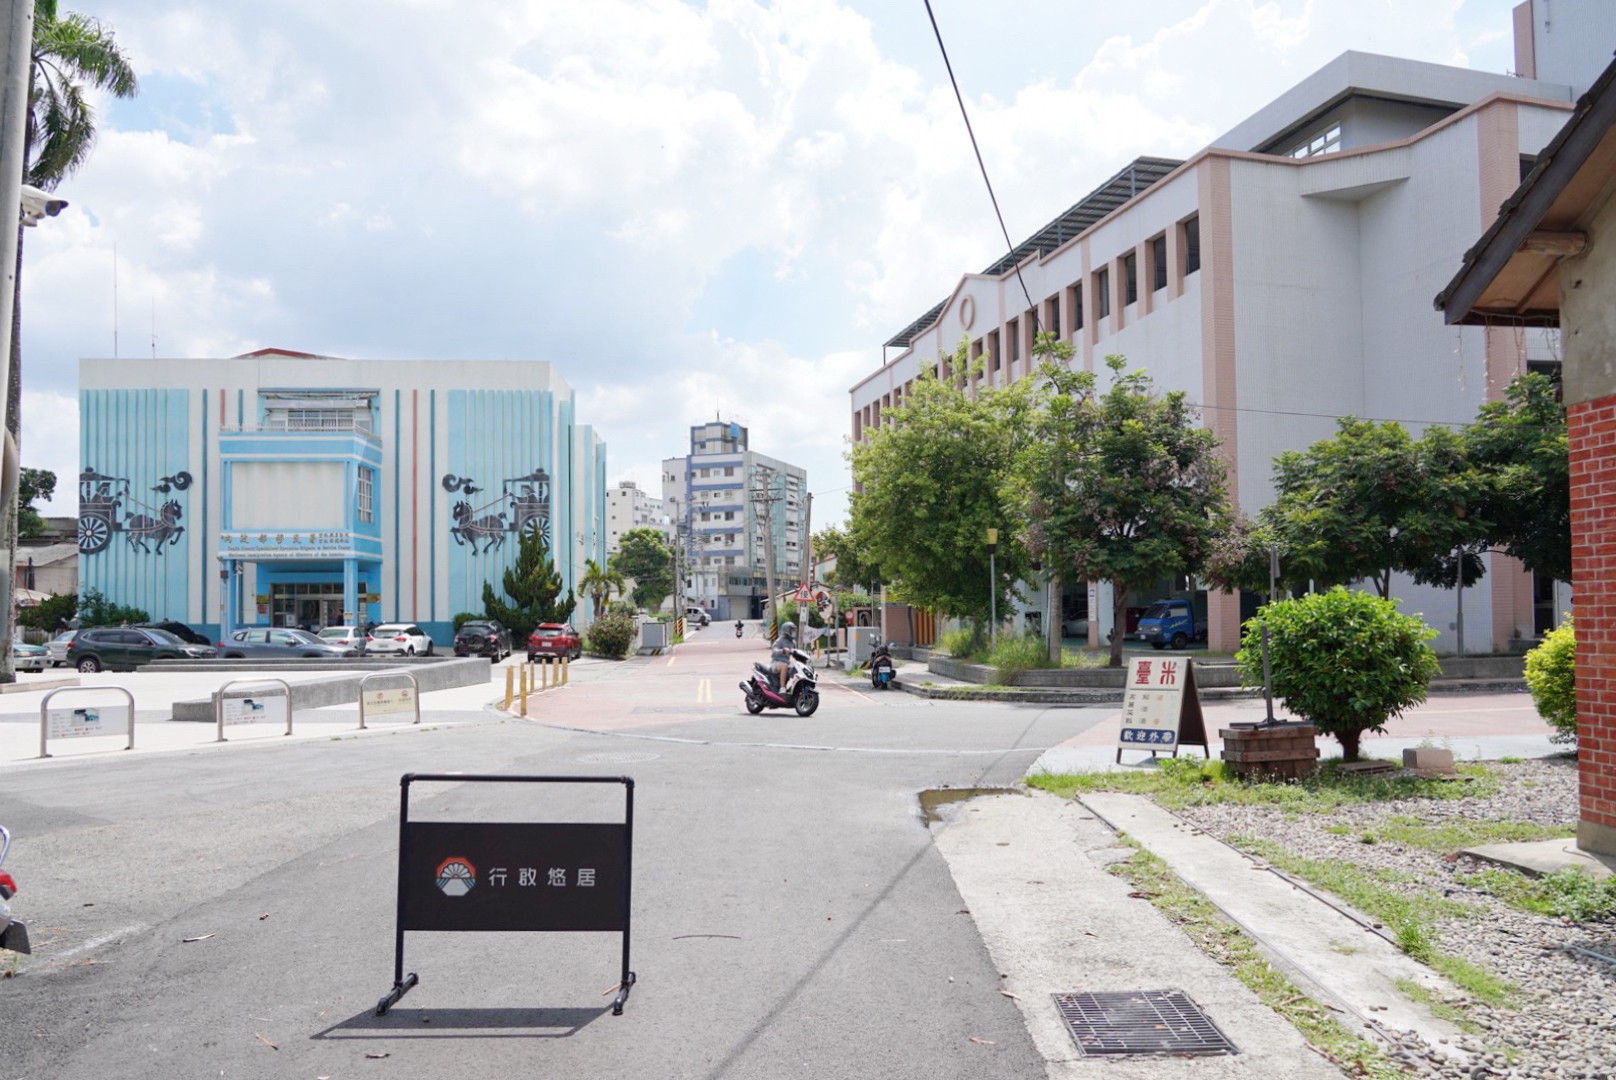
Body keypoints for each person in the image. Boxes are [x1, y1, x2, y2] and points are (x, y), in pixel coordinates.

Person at [770, 623, 797, 692]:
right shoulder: (779, 640)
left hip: (787, 663)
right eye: (792, 630)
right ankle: (782, 688)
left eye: (794, 630)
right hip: (776, 663)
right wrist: (783, 650)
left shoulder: (793, 642)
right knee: (784, 666)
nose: (793, 632)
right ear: (787, 630)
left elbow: (796, 651)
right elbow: (774, 651)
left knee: (796, 668)